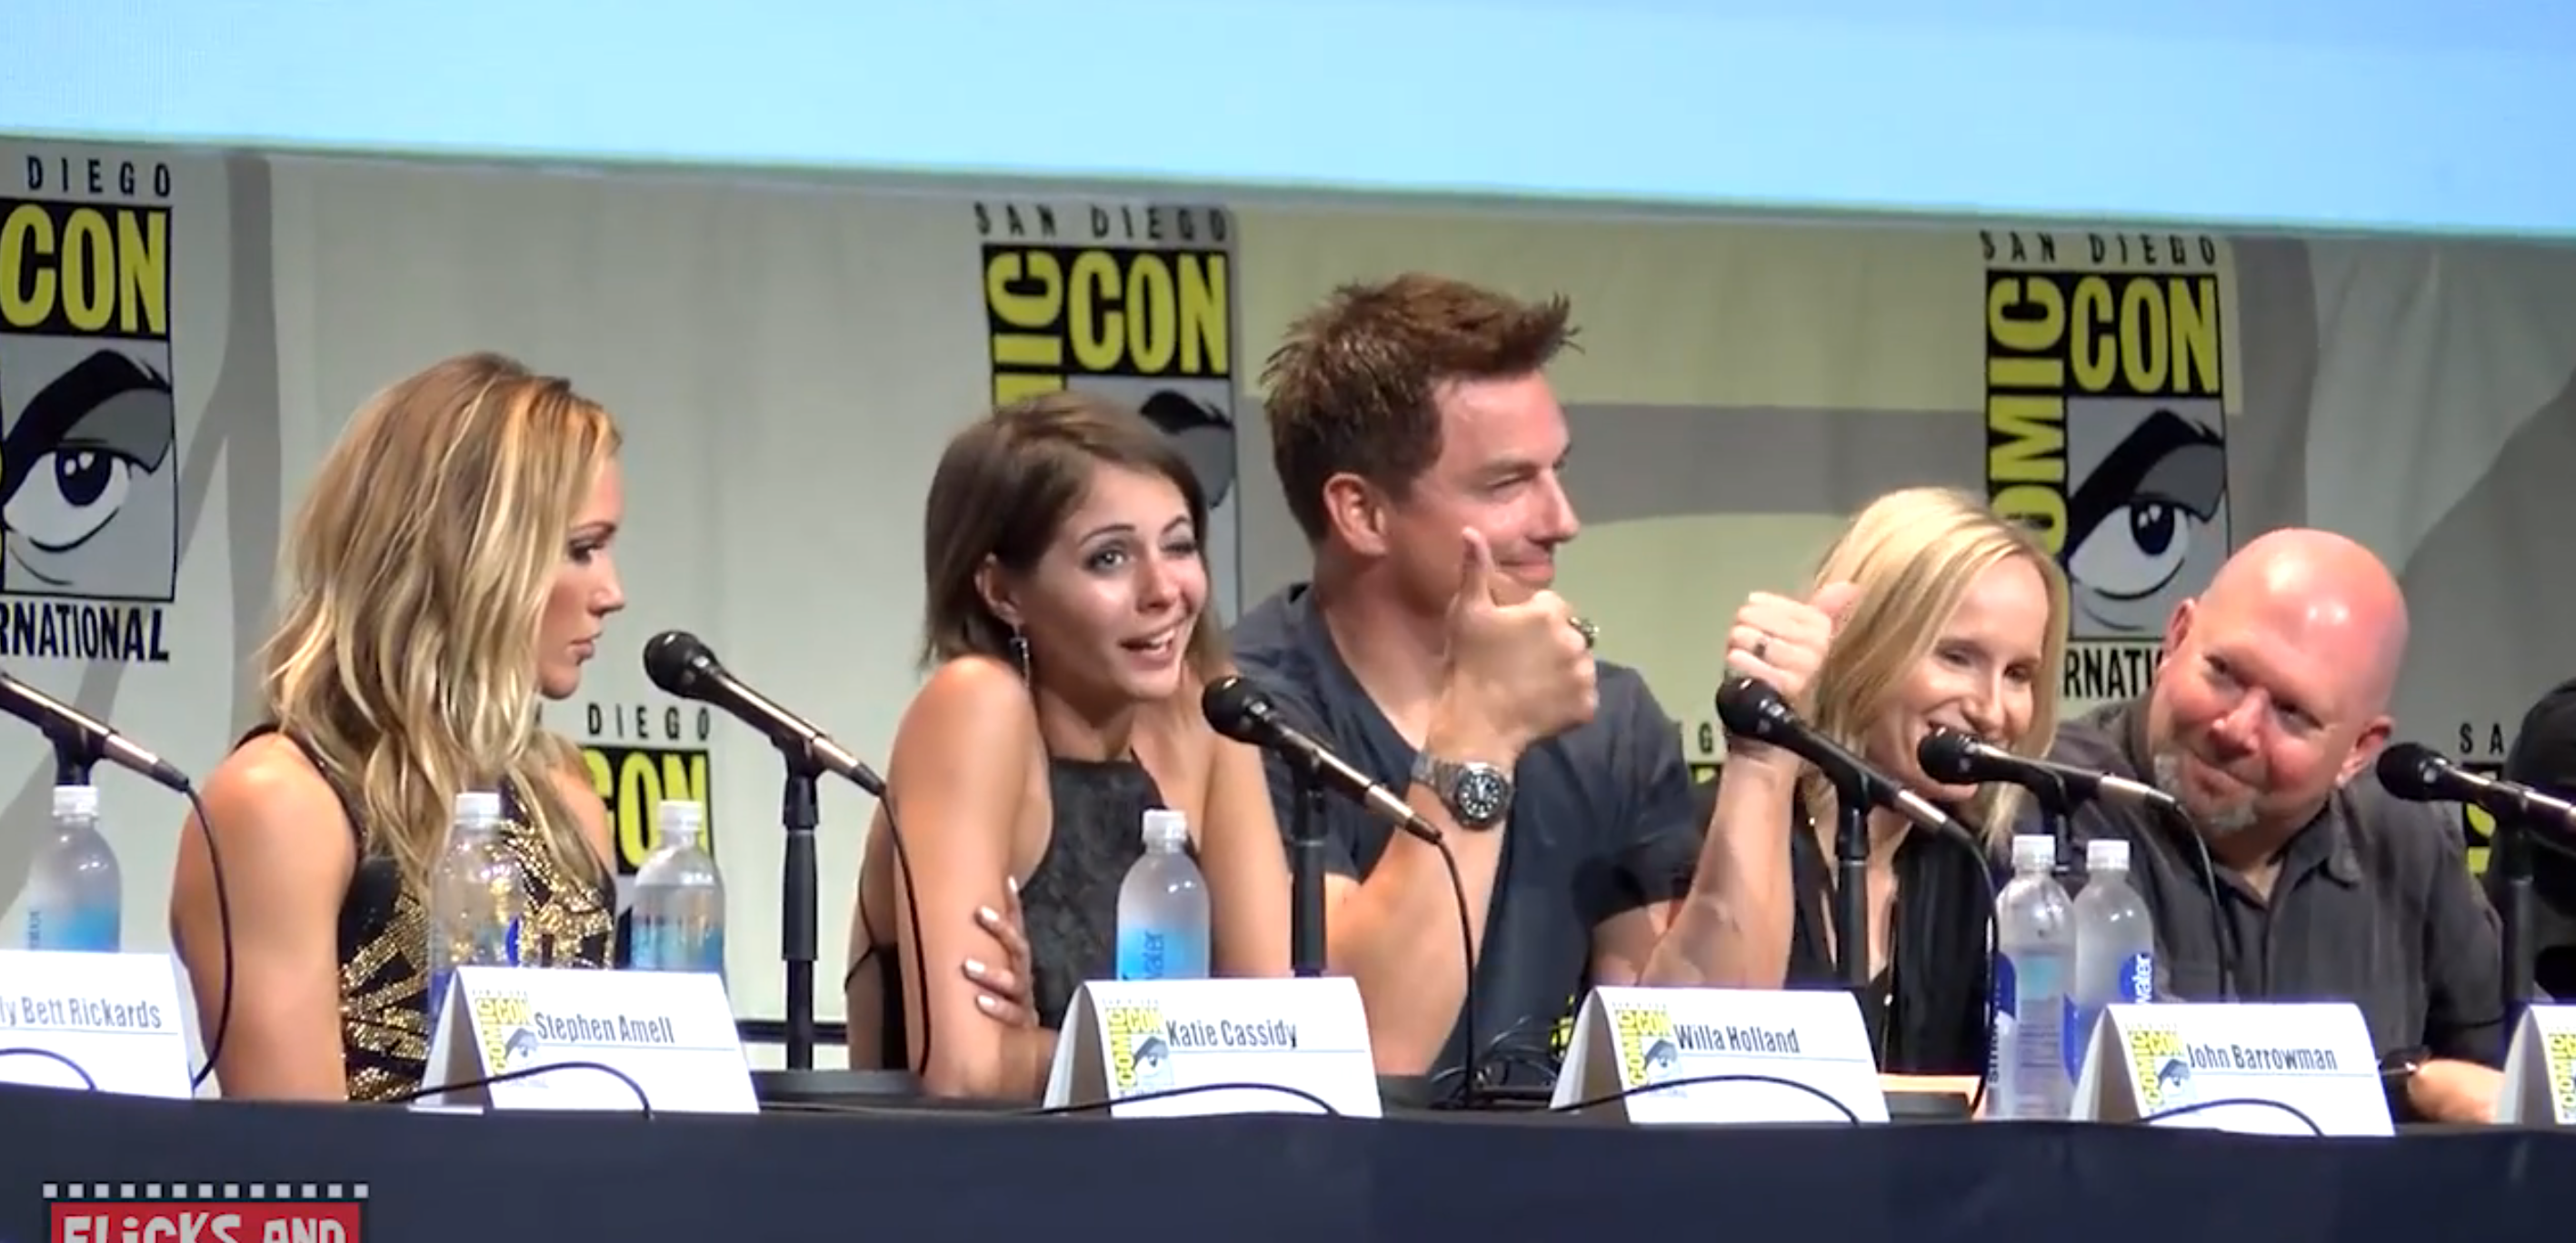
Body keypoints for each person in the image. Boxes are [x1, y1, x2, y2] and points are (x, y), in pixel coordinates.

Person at [1231, 273, 1789, 1091]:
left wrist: (1763, 765)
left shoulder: (1608, 718)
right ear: (1362, 513)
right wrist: (1482, 732)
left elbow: (1691, 1050)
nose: (1562, 520)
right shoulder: (1247, 714)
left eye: (1556, 471)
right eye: (1507, 484)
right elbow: (1364, 1049)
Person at [166, 353, 628, 1102]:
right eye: (581, 549)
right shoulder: (278, 805)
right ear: (470, 555)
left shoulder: (566, 800)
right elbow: (301, 1158)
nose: (612, 592)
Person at [843, 391, 1293, 1101]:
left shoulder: (1204, 709)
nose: (1164, 590)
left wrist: (1055, 1047)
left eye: (1178, 545)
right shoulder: (975, 707)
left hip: (1180, 1164)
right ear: (1002, 591)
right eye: (1109, 558)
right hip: (973, 1171)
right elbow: (965, 1072)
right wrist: (1181, 1051)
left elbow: (1274, 1042)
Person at [2045, 528, 2506, 1123]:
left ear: (2358, 750)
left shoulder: (2406, 835)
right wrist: (2404, 1085)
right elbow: (2153, 1078)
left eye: (2291, 712)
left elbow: (2517, 1069)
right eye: (2224, 673)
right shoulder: (2057, 794)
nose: (2235, 729)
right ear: (2177, 638)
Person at [1693, 486, 2068, 1083]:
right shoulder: (1707, 830)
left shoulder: (1983, 870)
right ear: (1863, 643)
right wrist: (1762, 760)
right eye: (1957, 657)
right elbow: (1686, 1066)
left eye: (2019, 673)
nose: (1993, 711)